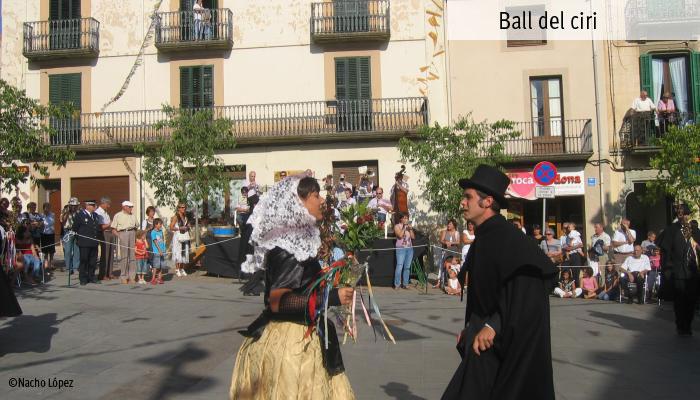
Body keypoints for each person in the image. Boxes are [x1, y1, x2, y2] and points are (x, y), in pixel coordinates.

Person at [230, 176, 355, 399]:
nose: (321, 200)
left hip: (301, 334)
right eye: (316, 195)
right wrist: (330, 298)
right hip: (290, 346)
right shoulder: (288, 247)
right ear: (299, 202)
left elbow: (301, 288)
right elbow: (277, 301)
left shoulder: (295, 242)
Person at [443, 164, 556, 400]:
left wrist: (493, 325)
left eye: (468, 197)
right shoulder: (484, 236)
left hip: (503, 340)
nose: (462, 203)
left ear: (487, 201)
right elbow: (485, 292)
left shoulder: (509, 238)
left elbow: (524, 290)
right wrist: (471, 327)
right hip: (483, 337)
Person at [658, 203, 699, 336]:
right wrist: (668, 269)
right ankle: (681, 325)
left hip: (692, 270)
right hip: (678, 270)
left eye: (686, 214)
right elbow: (665, 248)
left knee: (691, 299)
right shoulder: (672, 229)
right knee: (680, 299)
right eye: (681, 214)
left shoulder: (694, 229)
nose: (684, 216)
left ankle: (688, 323)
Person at [72, 200, 101, 286]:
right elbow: (75, 228)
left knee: (93, 261)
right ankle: (83, 278)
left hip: (94, 242)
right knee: (84, 260)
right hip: (84, 242)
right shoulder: (80, 215)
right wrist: (79, 239)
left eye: (94, 205)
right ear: (87, 206)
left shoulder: (95, 215)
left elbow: (96, 228)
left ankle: (91, 277)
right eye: (92, 205)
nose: (94, 207)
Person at [111, 200, 139, 284]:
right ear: (124, 207)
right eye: (130, 207)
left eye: (131, 207)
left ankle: (132, 276)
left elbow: (136, 226)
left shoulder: (133, 216)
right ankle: (124, 276)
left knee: (132, 256)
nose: (131, 209)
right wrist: (119, 236)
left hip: (132, 232)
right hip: (123, 233)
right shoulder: (118, 215)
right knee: (124, 256)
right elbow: (113, 229)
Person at [95, 197, 116, 280]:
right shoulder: (98, 212)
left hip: (110, 233)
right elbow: (100, 226)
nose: (109, 206)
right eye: (108, 204)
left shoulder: (105, 212)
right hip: (104, 234)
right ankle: (103, 274)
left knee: (111, 254)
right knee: (105, 255)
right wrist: (109, 224)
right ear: (103, 203)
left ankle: (109, 273)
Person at [393, 213, 415, 290]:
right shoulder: (397, 226)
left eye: (407, 218)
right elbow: (400, 235)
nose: (406, 220)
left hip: (409, 248)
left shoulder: (409, 227)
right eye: (404, 218)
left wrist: (411, 229)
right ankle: (397, 284)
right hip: (401, 248)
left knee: (407, 267)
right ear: (401, 219)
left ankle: (405, 284)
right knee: (399, 266)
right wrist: (404, 227)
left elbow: (413, 237)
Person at [170, 202, 192, 277]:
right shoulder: (175, 217)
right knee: (177, 252)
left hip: (184, 236)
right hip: (178, 236)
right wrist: (179, 228)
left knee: (184, 252)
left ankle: (182, 268)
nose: (183, 209)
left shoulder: (185, 216)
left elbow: (187, 225)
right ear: (178, 208)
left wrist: (188, 226)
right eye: (182, 207)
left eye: (184, 207)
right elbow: (171, 227)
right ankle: (177, 269)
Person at [438, 219, 460, 288]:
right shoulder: (445, 231)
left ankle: (453, 282)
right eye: (448, 224)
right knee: (444, 265)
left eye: (450, 224)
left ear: (454, 225)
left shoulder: (457, 233)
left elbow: (458, 242)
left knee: (453, 266)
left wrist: (451, 243)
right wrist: (445, 242)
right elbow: (441, 240)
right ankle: (443, 281)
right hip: (446, 251)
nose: (448, 225)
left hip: (454, 252)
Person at [61, 197, 81, 274]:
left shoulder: (79, 211)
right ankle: (68, 268)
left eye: (75, 205)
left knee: (77, 250)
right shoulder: (65, 211)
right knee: (68, 250)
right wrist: (67, 212)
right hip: (68, 231)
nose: (73, 207)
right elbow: (62, 221)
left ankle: (76, 267)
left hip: (76, 231)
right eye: (72, 205)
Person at [150, 218, 167, 285]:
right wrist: (159, 250)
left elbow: (162, 241)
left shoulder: (161, 231)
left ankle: (159, 278)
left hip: (163, 251)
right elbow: (155, 242)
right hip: (157, 251)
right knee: (156, 266)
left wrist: (164, 249)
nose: (161, 225)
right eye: (160, 224)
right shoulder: (153, 232)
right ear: (155, 224)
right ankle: (153, 278)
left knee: (161, 266)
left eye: (161, 224)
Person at [40, 202, 56, 271]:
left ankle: (51, 262)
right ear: (43, 208)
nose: (47, 209)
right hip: (44, 233)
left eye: (49, 207)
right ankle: (46, 262)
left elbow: (52, 222)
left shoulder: (52, 214)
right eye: (46, 207)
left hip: (51, 233)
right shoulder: (41, 215)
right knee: (45, 249)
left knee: (51, 249)